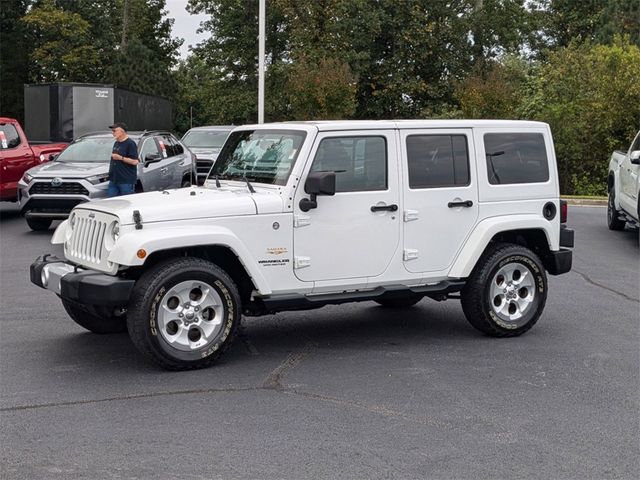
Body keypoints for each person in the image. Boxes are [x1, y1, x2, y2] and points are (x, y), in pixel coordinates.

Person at [107, 122, 139, 197]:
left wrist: (120, 158)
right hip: (114, 179)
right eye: (112, 131)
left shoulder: (130, 143)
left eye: (115, 131)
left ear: (122, 131)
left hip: (125, 180)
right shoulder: (116, 143)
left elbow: (135, 161)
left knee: (126, 202)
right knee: (111, 202)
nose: (113, 133)